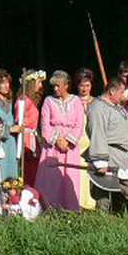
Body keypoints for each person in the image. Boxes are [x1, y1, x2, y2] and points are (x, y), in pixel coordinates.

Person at [86, 78, 128, 213]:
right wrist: (100, 161)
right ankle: (101, 227)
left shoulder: (117, 107)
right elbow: (97, 133)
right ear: (112, 91)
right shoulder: (97, 108)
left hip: (121, 158)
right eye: (121, 92)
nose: (124, 95)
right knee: (104, 196)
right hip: (108, 156)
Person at [37, 70, 86, 210]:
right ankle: (50, 207)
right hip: (53, 146)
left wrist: (69, 141)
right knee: (52, 177)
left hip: (70, 146)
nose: (55, 89)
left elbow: (79, 123)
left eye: (58, 85)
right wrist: (57, 140)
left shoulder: (76, 101)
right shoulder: (48, 101)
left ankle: (70, 209)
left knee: (69, 176)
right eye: (53, 86)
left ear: (66, 85)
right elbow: (45, 124)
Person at [15, 69, 45, 187]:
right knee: (28, 168)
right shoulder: (23, 100)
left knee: (34, 168)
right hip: (26, 139)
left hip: (32, 137)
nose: (41, 85)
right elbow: (19, 120)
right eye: (38, 82)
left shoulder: (31, 101)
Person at [73, 67, 97, 210]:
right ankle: (78, 201)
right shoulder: (73, 101)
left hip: (90, 140)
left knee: (90, 173)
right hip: (76, 141)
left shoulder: (96, 101)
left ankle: (90, 201)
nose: (84, 88)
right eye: (82, 85)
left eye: (87, 85)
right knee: (78, 172)